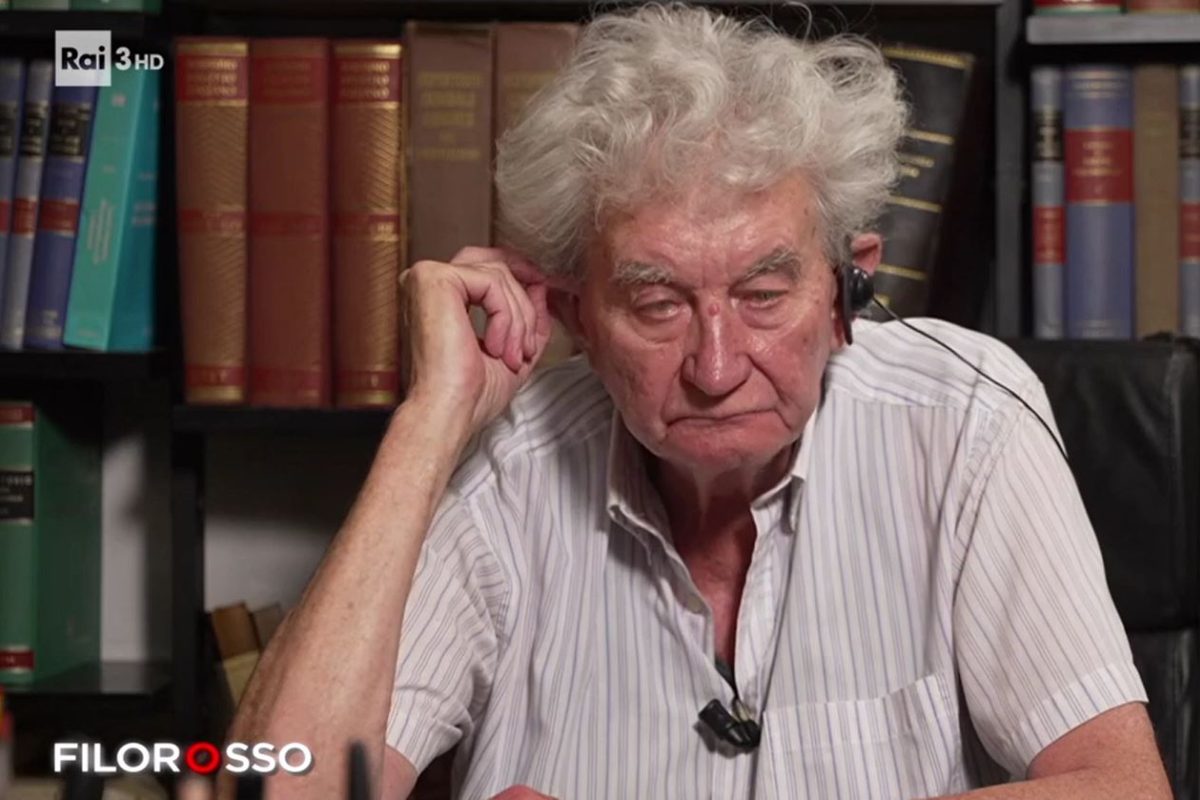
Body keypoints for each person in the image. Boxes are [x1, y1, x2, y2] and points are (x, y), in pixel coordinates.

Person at [225, 3, 1172, 798]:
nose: (715, 368)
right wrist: (430, 422)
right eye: (657, 305)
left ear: (848, 292)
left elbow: (1121, 788)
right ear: (576, 316)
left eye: (763, 295)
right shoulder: (507, 463)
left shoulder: (965, 421)